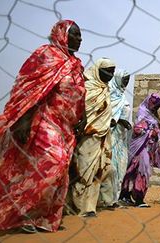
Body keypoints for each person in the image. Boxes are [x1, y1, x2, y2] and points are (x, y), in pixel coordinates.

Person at [0, 20, 85, 233]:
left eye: (81, 36)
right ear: (63, 35)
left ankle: (39, 218)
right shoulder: (46, 56)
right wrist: (24, 121)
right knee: (55, 161)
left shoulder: (75, 64)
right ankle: (13, 213)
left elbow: (79, 96)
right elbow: (29, 89)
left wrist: (80, 119)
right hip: (43, 119)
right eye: (75, 35)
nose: (80, 39)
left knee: (57, 170)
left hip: (65, 127)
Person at [70, 57, 117, 217]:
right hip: (88, 137)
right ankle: (77, 205)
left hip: (103, 137)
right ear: (98, 70)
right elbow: (81, 112)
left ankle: (89, 207)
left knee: (99, 171)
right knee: (83, 170)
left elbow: (103, 111)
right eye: (108, 71)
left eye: (113, 72)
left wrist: (108, 120)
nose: (111, 75)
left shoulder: (105, 89)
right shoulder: (88, 87)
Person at [119, 93, 160, 208]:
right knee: (140, 169)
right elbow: (138, 129)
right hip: (139, 147)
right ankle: (137, 198)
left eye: (158, 106)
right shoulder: (142, 111)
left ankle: (129, 195)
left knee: (137, 170)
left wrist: (155, 128)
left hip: (148, 147)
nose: (156, 108)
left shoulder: (153, 115)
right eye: (155, 105)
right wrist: (151, 131)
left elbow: (159, 128)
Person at [109, 70, 132, 200]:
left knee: (121, 167)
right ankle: (106, 198)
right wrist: (121, 121)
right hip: (110, 137)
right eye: (125, 79)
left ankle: (114, 198)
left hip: (121, 139)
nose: (127, 83)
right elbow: (107, 115)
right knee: (110, 168)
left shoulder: (123, 97)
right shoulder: (109, 95)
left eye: (128, 80)